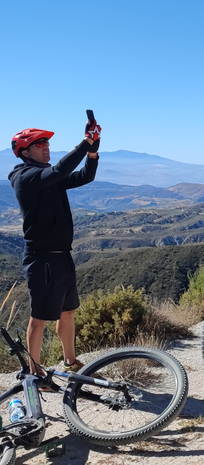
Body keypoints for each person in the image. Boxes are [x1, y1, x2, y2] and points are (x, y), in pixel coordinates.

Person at [8, 120, 101, 375]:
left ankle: (70, 363)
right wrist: (85, 143)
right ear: (25, 152)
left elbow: (85, 176)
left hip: (62, 256)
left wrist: (92, 152)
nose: (46, 147)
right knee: (39, 319)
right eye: (39, 143)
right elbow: (61, 169)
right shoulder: (25, 177)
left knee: (68, 312)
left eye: (47, 142)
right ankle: (34, 371)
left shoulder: (48, 177)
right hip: (42, 258)